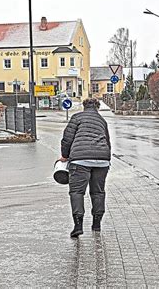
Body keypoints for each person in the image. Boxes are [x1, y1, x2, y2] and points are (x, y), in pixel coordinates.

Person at [59, 98, 111, 238]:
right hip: (102, 160)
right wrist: (106, 159)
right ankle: (96, 224)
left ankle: (78, 226)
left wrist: (65, 155)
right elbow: (107, 140)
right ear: (97, 107)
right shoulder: (101, 120)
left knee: (77, 192)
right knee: (98, 192)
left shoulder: (77, 117)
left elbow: (67, 138)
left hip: (80, 161)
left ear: (84, 106)